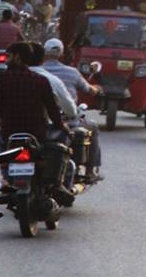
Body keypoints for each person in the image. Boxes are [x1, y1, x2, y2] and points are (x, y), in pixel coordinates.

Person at [0, 42, 74, 205]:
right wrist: (61, 126)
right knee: (59, 146)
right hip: (37, 133)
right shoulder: (40, 80)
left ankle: (7, 179)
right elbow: (52, 109)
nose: (6, 59)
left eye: (9, 56)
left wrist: (3, 121)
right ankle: (56, 183)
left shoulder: (3, 80)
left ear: (18, 57)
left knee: (1, 143)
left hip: (9, 133)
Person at [42, 38, 104, 180]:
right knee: (92, 127)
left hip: (42, 119)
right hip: (65, 118)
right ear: (61, 54)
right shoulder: (71, 72)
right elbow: (88, 89)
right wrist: (96, 89)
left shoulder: (37, 72)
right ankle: (90, 171)